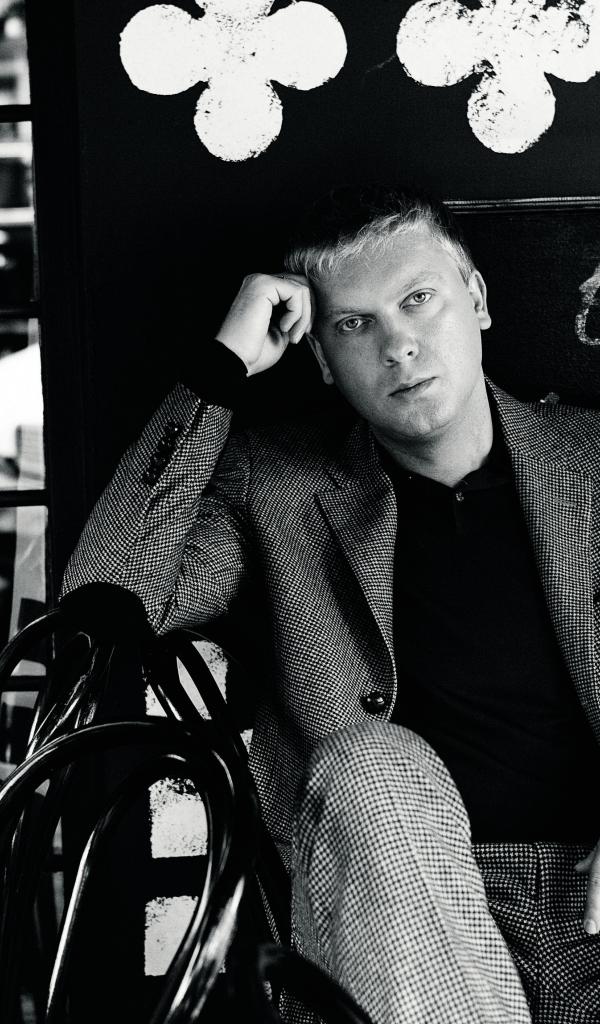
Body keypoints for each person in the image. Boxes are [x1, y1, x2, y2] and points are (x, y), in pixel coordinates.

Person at [60, 186, 600, 1024]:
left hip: (591, 903)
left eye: (418, 299)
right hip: (386, 904)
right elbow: (102, 597)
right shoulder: (275, 487)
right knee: (373, 763)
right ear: (319, 355)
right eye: (353, 324)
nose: (399, 345)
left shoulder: (592, 460)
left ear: (477, 299)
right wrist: (220, 368)